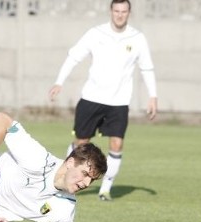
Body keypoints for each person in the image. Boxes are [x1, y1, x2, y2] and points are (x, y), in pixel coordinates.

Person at [48, 0, 157, 202]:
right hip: (91, 98)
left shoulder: (137, 38)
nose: (120, 15)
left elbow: (147, 68)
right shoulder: (96, 34)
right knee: (81, 144)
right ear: (111, 11)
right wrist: (59, 81)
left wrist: (153, 96)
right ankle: (62, 179)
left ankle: (105, 189)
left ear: (129, 13)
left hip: (119, 102)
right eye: (116, 11)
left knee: (116, 144)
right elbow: (74, 56)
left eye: (124, 11)